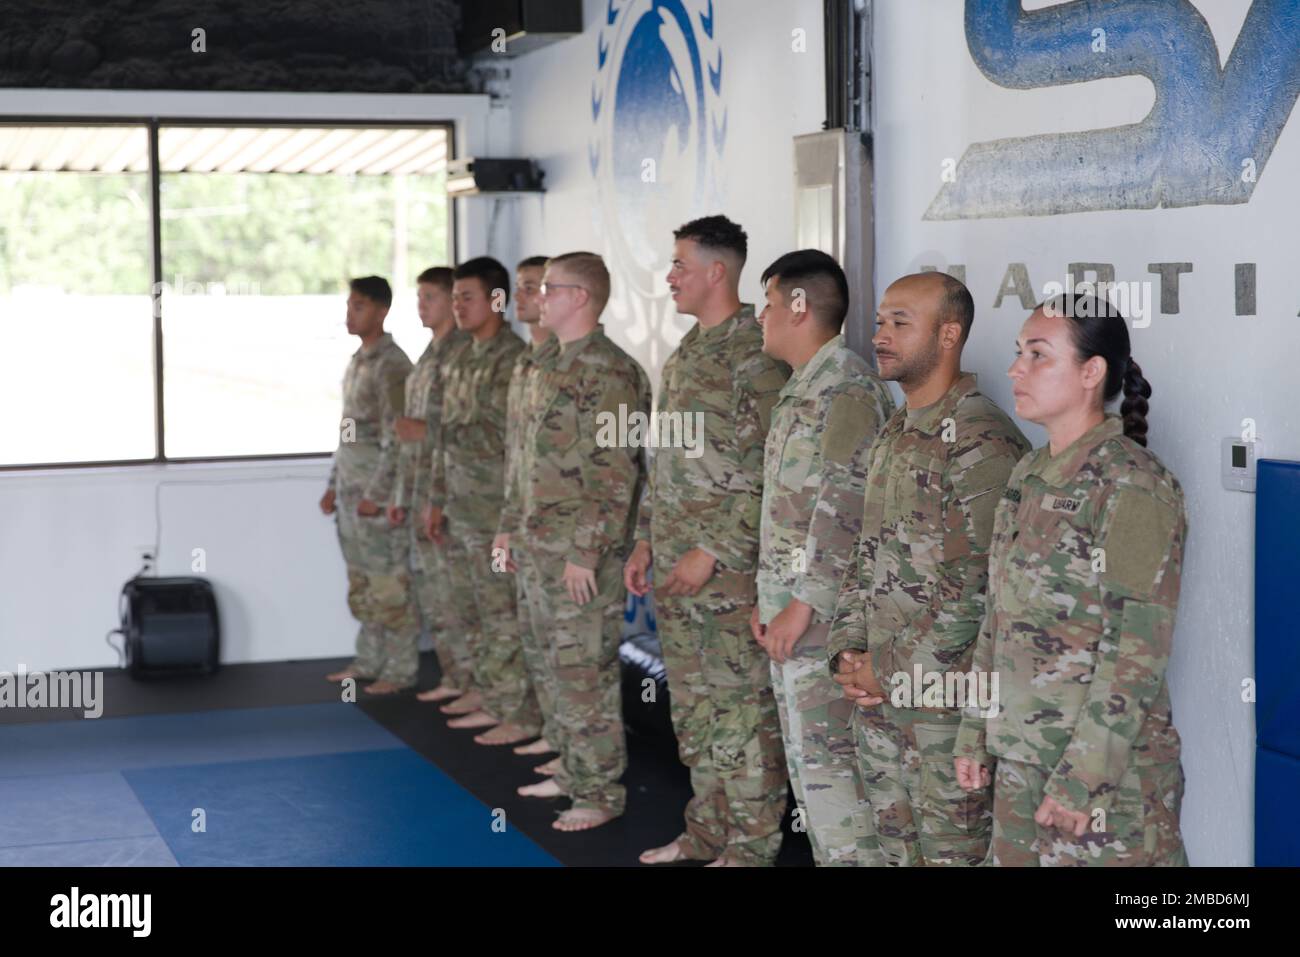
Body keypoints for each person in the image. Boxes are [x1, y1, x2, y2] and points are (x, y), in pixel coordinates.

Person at [953, 292, 1189, 866]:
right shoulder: (1030, 472)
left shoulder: (1132, 486)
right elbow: (997, 618)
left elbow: (1135, 651)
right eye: (1018, 353)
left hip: (1103, 779)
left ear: (1091, 372)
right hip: (1021, 760)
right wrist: (974, 731)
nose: (1015, 369)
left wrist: (1083, 778)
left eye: (1038, 355)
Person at [828, 271, 1029, 866]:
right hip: (881, 699)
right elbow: (866, 553)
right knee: (894, 854)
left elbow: (974, 592)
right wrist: (847, 650)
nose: (881, 336)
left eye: (900, 323)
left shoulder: (981, 440)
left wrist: (883, 671)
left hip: (945, 716)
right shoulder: (897, 428)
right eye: (880, 321)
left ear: (948, 335)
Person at [625, 215, 792, 867]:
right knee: (694, 716)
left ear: (717, 272)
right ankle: (707, 833)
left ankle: (750, 847)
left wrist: (713, 550)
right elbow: (663, 461)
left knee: (741, 717)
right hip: (674, 569)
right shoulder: (689, 352)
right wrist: (644, 541)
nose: (670, 277)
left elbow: (769, 471)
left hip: (727, 577)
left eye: (680, 265)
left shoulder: (759, 354)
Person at [752, 249, 895, 866]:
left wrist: (804, 606)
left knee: (836, 784)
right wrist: (773, 604)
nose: (761, 316)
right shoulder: (805, 387)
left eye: (769, 302)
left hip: (824, 626)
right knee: (812, 783)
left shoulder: (846, 389)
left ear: (799, 306)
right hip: (794, 622)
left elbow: (846, 505)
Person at [504, 252, 651, 831]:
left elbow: (616, 472)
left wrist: (586, 553)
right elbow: (523, 461)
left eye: (549, 288)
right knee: (549, 664)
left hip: (577, 552)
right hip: (538, 544)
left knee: (582, 671)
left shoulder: (609, 372)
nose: (538, 297)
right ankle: (571, 766)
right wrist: (506, 528)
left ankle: (598, 791)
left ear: (581, 297)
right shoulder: (549, 363)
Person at [425, 257, 540, 745]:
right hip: (461, 507)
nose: (458, 306)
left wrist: (432, 429)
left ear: (497, 300)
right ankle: (485, 692)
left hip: (496, 508)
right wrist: (436, 499)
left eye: (465, 297)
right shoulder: (461, 355)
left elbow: (501, 436)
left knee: (501, 614)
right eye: (454, 298)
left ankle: (515, 710)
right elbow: (444, 445)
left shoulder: (511, 357)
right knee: (469, 608)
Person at [321, 276, 418, 694]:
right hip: (350, 491)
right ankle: (370, 659)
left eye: (358, 306)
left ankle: (399, 668)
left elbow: (400, 438)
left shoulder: (393, 366)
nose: (349, 313)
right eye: (348, 305)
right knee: (361, 581)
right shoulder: (359, 360)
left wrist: (378, 496)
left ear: (381, 311)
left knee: (388, 581)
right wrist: (333, 483)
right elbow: (349, 432)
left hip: (374, 499)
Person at [386, 267, 474, 704]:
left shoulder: (462, 354)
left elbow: (465, 427)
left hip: (456, 491)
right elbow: (411, 436)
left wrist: (424, 430)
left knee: (457, 594)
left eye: (431, 297)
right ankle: (454, 675)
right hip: (423, 485)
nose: (423, 305)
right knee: (435, 593)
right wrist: (403, 495)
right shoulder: (428, 354)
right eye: (419, 298)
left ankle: (472, 683)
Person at [488, 255, 561, 751]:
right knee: (532, 639)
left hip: (562, 538)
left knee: (567, 655)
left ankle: (567, 752)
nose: (522, 298)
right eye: (520, 288)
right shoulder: (526, 365)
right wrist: (507, 525)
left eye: (533, 287)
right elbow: (517, 458)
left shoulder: (573, 366)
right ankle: (551, 736)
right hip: (522, 524)